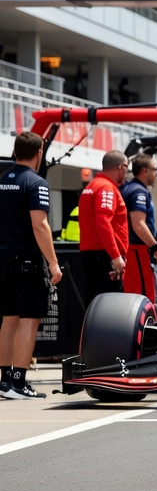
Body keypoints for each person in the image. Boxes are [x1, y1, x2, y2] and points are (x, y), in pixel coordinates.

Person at [0, 131, 64, 399]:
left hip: (2, 259)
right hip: (25, 260)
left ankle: (4, 382)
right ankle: (19, 382)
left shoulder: (2, 181)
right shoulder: (36, 183)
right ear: (39, 153)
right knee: (29, 320)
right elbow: (40, 224)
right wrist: (53, 263)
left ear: (16, 152)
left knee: (8, 319)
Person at [77, 150, 129, 307]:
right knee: (111, 306)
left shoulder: (92, 186)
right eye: (127, 167)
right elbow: (103, 222)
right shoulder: (106, 188)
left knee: (95, 302)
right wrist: (115, 256)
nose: (127, 172)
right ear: (121, 166)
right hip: (104, 256)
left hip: (92, 255)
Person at [120, 154, 157, 301]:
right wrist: (156, 249)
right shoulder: (138, 192)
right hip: (136, 250)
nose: (156, 174)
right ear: (145, 170)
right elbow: (138, 224)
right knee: (141, 296)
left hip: (131, 249)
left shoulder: (128, 188)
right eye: (155, 169)